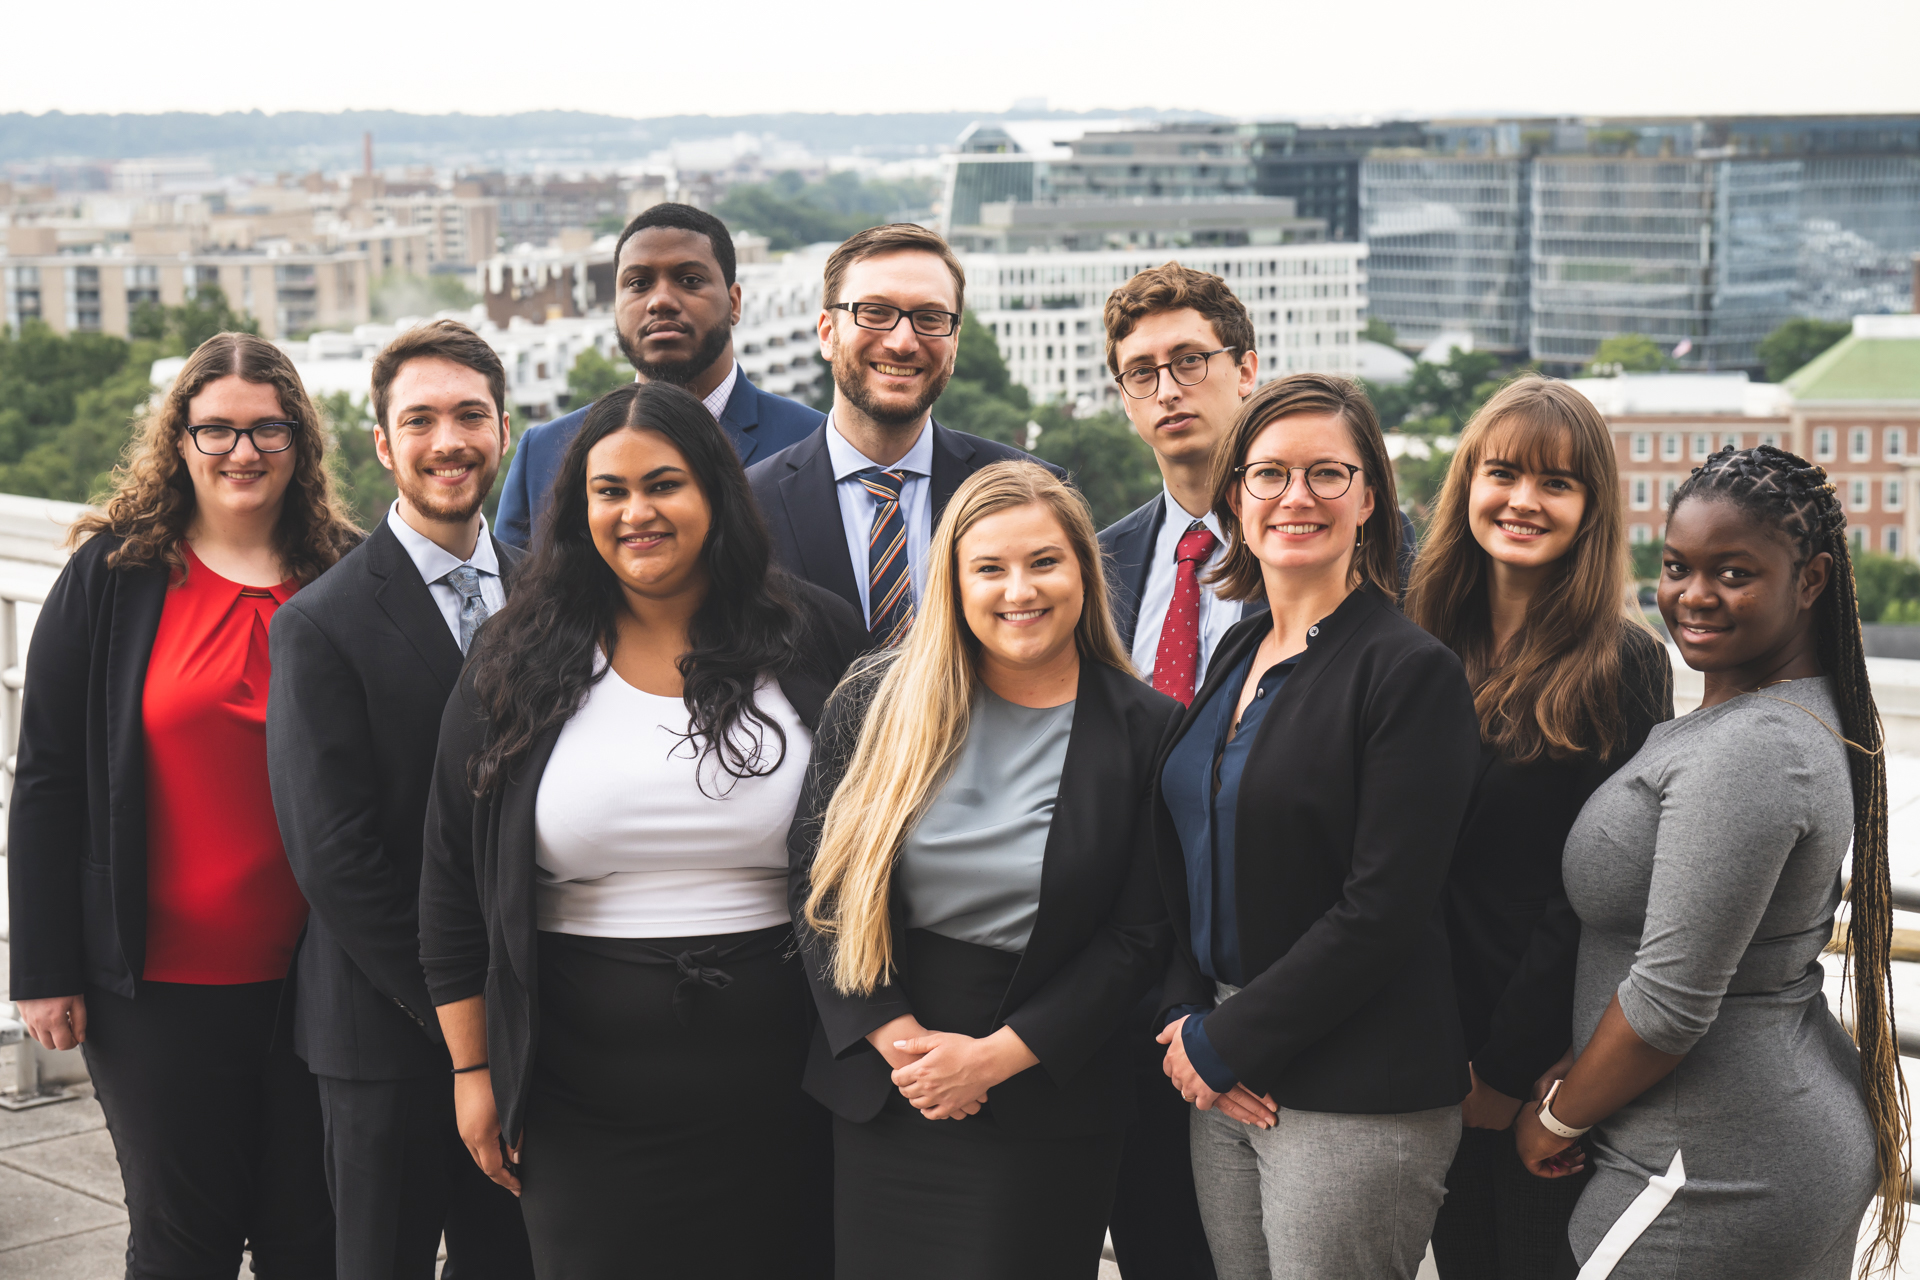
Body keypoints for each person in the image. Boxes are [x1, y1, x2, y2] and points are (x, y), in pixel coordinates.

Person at [419, 381, 865, 1278]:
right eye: (609, 490)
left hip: (789, 1082)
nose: (636, 512)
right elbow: (448, 886)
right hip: (578, 1094)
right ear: (580, 509)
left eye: (663, 484)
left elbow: (885, 839)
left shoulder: (812, 633)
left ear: (714, 494)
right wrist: (473, 1075)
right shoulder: (515, 656)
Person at [7, 332, 356, 1277]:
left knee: (310, 1237)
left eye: (267, 430)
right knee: (182, 1237)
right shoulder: (112, 578)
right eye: (217, 431)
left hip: (320, 984)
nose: (242, 452)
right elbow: (44, 778)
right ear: (181, 440)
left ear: (300, 442)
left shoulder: (350, 577)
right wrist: (42, 969)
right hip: (154, 989)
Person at [1517, 445, 1903, 1279]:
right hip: (1731, 1138)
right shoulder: (1772, 718)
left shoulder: (1757, 750)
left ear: (1811, 580)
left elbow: (1667, 1005)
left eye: (1733, 573)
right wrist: (1590, 1065)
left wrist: (1554, 1117)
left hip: (1711, 1172)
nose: (1693, 595)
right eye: (1675, 567)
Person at [793, 460, 1180, 1279]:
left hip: (1045, 1094)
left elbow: (1138, 936)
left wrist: (993, 1060)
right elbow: (817, 888)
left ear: (1084, 568)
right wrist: (905, 1047)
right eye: (990, 568)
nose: (1019, 590)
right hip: (888, 1086)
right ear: (954, 582)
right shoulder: (875, 700)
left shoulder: (1149, 728)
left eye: (1044, 561)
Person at [1153, 372, 1480, 1280]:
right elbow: (1183, 856)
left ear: (1369, 497)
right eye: (1268, 475)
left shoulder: (1410, 673)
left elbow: (1384, 907)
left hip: (1354, 1090)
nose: (1296, 497)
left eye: (1327, 474)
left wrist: (1230, 1041)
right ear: (1236, 498)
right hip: (1219, 1067)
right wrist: (1188, 1017)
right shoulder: (1234, 648)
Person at [266, 319, 534, 1279]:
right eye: (419, 420)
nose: (447, 440)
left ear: (505, 428)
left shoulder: (550, 597)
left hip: (534, 1029)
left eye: (470, 415)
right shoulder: (321, 623)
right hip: (386, 1031)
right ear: (383, 444)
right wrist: (464, 1020)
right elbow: (334, 856)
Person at [1402, 376, 1673, 1279]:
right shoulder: (1410, 632)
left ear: (1591, 508)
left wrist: (1508, 1071)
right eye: (1503, 472)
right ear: (1466, 483)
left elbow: (1593, 891)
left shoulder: (1622, 663)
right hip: (1406, 1045)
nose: (1523, 500)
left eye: (1556, 484)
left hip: (1529, 1067)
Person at [746, 223, 1061, 645]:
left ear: (955, 342)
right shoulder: (746, 508)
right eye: (875, 312)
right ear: (827, 333)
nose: (902, 342)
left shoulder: (1034, 492)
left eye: (930, 318)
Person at [496, 202, 823, 548]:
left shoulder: (814, 444)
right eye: (638, 283)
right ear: (615, 308)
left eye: (689, 280)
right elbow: (517, 595)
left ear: (734, 303)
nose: (661, 301)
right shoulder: (544, 453)